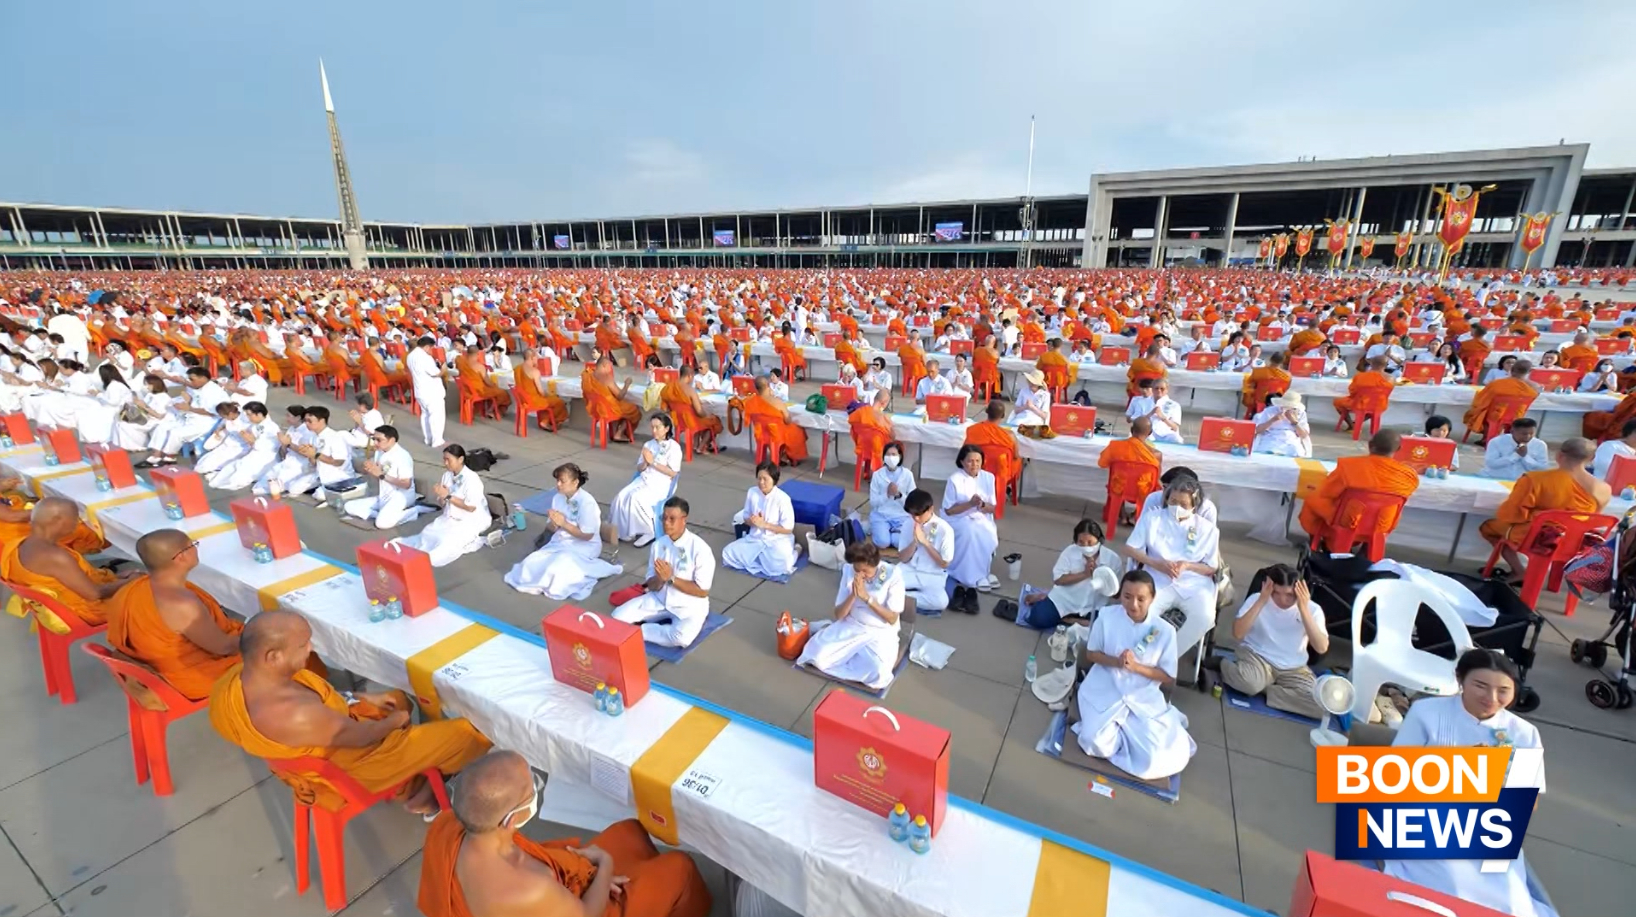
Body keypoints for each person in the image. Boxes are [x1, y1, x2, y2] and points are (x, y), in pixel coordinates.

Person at [209, 611, 491, 816]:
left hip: (329, 738)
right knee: (470, 730)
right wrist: (396, 721)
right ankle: (432, 791)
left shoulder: (236, 680)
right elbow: (361, 737)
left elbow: (324, 709)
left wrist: (362, 698)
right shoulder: (292, 713)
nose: (311, 648)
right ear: (273, 656)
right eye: (303, 645)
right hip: (350, 768)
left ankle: (411, 783)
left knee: (395, 698)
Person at [417, 749, 711, 917]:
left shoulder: (446, 826)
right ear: (511, 819)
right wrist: (604, 867)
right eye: (531, 787)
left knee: (630, 832)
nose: (535, 788)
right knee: (680, 868)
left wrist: (587, 869)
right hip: (577, 909)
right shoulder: (528, 887)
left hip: (557, 897)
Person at [1382, 649, 1556, 917]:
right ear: (1460, 680)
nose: (1492, 698)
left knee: (1510, 900)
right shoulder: (1426, 712)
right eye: (1481, 686)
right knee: (1451, 888)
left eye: (1503, 690)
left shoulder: (1524, 733)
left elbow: (1526, 803)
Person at [1072, 570, 1196, 780]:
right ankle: (1119, 735)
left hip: (1142, 694)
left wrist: (1136, 668)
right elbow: (1092, 654)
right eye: (1127, 597)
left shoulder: (1164, 631)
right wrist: (1116, 662)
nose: (1133, 605)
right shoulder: (1107, 616)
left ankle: (1129, 736)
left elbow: (1167, 675)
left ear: (1152, 599)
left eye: (1141, 599)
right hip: (1106, 685)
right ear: (1120, 594)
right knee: (1095, 743)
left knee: (1156, 758)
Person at [104, 529, 243, 700]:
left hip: (149, 663)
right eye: (192, 545)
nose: (195, 549)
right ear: (181, 557)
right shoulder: (181, 603)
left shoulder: (131, 589)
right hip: (186, 677)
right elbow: (224, 648)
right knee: (272, 652)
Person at [1481, 437, 1610, 580]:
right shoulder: (1603, 488)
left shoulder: (1535, 479)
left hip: (1539, 537)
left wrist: (1535, 515)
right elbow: (1594, 517)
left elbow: (1511, 514)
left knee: (1489, 527)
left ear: (1559, 455)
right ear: (1591, 458)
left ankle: (1519, 571)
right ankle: (1553, 579)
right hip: (1576, 540)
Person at [1211, 564, 1328, 719]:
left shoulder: (1313, 610)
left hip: (1294, 668)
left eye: (1289, 595)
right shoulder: (1257, 599)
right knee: (1249, 683)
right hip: (1257, 656)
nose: (1282, 600)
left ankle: (1266, 689)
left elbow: (1321, 647)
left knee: (1321, 706)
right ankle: (1223, 664)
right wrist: (1262, 601)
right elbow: (1238, 633)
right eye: (1276, 593)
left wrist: (1304, 609)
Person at [1122, 476, 1220, 657]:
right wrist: (1156, 563)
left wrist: (1188, 565)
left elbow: (1211, 567)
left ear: (1194, 505)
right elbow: (1130, 548)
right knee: (1143, 611)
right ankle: (1139, 654)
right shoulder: (1153, 519)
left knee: (1205, 617)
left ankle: (1168, 656)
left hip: (1193, 584)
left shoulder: (1208, 530)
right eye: (1173, 501)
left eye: (1183, 504)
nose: (1177, 507)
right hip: (1157, 578)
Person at [0, 497, 135, 628]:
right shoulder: (54, 556)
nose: (78, 523)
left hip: (60, 603)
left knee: (131, 577)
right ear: (58, 520)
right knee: (145, 587)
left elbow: (69, 580)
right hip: (84, 612)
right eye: (75, 518)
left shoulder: (20, 544)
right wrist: (130, 582)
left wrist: (116, 579)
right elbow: (94, 594)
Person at [796, 540, 906, 690]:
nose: (859, 574)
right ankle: (831, 634)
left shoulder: (893, 575)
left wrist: (867, 598)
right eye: (856, 569)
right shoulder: (848, 571)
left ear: (874, 564)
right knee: (817, 657)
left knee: (878, 673)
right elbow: (839, 614)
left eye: (864, 571)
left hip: (880, 632)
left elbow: (892, 618)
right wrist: (854, 595)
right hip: (852, 625)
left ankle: (845, 652)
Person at [612, 497, 716, 648]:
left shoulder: (700, 549)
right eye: (664, 518)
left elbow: (702, 591)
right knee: (616, 617)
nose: (666, 523)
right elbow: (651, 584)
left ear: (684, 520)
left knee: (681, 639)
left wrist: (671, 579)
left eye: (672, 519)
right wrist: (660, 580)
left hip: (688, 606)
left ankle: (641, 631)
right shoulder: (658, 545)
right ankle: (644, 630)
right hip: (660, 599)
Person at [506, 463, 620, 600]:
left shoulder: (587, 503)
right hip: (560, 542)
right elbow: (551, 528)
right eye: (557, 481)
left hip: (584, 546)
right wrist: (553, 524)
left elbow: (587, 536)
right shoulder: (557, 498)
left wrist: (563, 523)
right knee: (529, 563)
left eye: (562, 481)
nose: (558, 484)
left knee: (556, 568)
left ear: (575, 482)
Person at [1298, 430, 1421, 544]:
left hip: (1347, 521)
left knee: (1313, 498)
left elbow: (1327, 493)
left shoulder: (1349, 466)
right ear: (1399, 449)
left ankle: (1318, 542)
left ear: (1369, 445)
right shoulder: (1408, 475)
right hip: (1382, 524)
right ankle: (1367, 547)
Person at [397, 444, 492, 566]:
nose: (445, 463)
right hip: (449, 517)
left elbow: (471, 507)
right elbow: (443, 503)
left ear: (460, 459)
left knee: (444, 542)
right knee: (427, 532)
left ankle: (419, 562)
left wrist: (448, 496)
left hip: (468, 520)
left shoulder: (472, 479)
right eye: (444, 459)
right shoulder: (447, 475)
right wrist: (442, 497)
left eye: (449, 460)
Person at [1016, 519, 1121, 629]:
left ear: (1099, 540)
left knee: (1105, 627)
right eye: (1081, 542)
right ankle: (1049, 599)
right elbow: (1058, 580)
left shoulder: (1113, 560)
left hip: (1094, 606)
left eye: (1090, 542)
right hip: (1065, 600)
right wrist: (1085, 574)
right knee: (1037, 618)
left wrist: (1102, 576)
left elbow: (1116, 592)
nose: (1086, 546)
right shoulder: (1070, 552)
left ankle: (1072, 620)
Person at [609, 414, 683, 547]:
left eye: (657, 427)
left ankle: (649, 530)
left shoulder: (674, 447)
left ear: (666, 428)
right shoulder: (648, 444)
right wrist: (645, 463)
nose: (654, 431)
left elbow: (673, 472)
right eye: (652, 427)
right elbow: (640, 467)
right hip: (644, 479)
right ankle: (624, 531)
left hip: (661, 483)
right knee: (621, 497)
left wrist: (652, 462)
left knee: (636, 498)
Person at [942, 445, 1000, 613]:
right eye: (970, 461)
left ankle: (983, 572)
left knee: (988, 534)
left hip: (981, 516)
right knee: (970, 532)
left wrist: (981, 505)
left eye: (977, 461)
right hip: (958, 518)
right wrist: (969, 504)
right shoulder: (954, 479)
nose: (974, 464)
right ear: (962, 462)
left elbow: (992, 508)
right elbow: (949, 510)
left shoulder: (988, 478)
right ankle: (969, 577)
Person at [254, 406, 354, 498]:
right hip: (318, 472)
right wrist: (310, 455)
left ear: (321, 421)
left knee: (319, 496)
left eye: (310, 421)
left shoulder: (335, 437)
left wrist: (315, 454)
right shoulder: (313, 436)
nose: (306, 424)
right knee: (292, 489)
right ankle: (317, 486)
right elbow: (313, 463)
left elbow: (338, 462)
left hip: (337, 474)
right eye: (305, 420)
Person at [138, 367, 229, 466]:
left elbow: (214, 412)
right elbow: (193, 396)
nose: (190, 382)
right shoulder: (200, 387)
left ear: (202, 378)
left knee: (175, 433)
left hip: (205, 422)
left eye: (192, 379)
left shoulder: (214, 392)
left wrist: (189, 408)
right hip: (190, 417)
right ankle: (155, 456)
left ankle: (170, 457)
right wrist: (185, 402)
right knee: (162, 427)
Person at [721, 461, 798, 577]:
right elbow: (745, 517)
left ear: (774, 480)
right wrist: (752, 521)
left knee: (780, 566)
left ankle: (796, 551)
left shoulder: (783, 499)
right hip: (755, 539)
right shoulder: (752, 492)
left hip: (776, 541)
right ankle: (759, 561)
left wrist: (765, 525)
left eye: (765, 479)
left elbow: (788, 529)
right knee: (727, 554)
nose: (761, 482)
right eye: (759, 478)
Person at [343, 424, 422, 528]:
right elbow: (376, 472)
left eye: (379, 440)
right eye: (374, 439)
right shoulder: (379, 452)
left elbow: (406, 484)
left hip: (401, 497)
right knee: (349, 506)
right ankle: (381, 515)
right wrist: (370, 468)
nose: (375, 443)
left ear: (392, 440)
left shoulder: (403, 456)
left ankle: (414, 511)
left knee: (381, 524)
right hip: (384, 495)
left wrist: (381, 475)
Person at [894, 488, 954, 614]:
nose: (915, 518)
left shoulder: (945, 530)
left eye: (919, 514)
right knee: (886, 581)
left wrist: (925, 542)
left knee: (941, 602)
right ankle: (896, 595)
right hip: (909, 570)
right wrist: (915, 543)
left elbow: (944, 563)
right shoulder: (908, 524)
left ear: (930, 509)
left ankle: (900, 597)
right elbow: (902, 558)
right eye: (912, 514)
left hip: (932, 575)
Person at [208, 402, 282, 490]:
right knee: (235, 465)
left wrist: (252, 440)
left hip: (266, 456)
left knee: (242, 473)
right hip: (255, 453)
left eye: (249, 415)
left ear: (259, 414)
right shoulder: (255, 425)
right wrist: (249, 439)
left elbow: (271, 446)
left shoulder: (271, 427)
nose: (247, 417)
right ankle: (219, 479)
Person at [1463, 358, 1538, 442]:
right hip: (1516, 416)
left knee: (1482, 411)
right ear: (1530, 372)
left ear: (1512, 370)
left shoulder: (1496, 384)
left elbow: (1481, 400)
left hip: (1495, 415)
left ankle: (1486, 438)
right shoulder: (1532, 389)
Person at [743, 375, 808, 464]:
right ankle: (791, 457)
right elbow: (787, 420)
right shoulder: (777, 402)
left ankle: (781, 455)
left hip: (761, 433)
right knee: (798, 430)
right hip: (776, 433)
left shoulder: (751, 401)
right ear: (767, 386)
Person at [583, 352, 642, 442]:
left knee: (619, 404)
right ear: (603, 365)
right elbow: (620, 396)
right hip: (608, 409)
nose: (610, 369)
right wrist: (627, 384)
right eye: (609, 366)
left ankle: (615, 431)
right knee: (634, 410)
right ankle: (619, 433)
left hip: (595, 408)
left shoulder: (588, 376)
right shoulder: (606, 378)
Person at [868, 441, 915, 550]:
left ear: (900, 456)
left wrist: (899, 495)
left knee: (899, 543)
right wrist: (887, 495)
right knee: (883, 543)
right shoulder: (877, 475)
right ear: (883, 457)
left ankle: (892, 532)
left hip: (901, 516)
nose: (890, 457)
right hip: (882, 515)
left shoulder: (907, 475)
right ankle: (878, 528)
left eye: (894, 454)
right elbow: (873, 502)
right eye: (888, 454)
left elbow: (913, 502)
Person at [77, 363, 134, 446]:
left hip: (119, 409)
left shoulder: (114, 385)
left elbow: (114, 402)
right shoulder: (114, 384)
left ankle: (97, 436)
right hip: (117, 406)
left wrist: (98, 394)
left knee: (90, 414)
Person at [407, 335, 449, 448]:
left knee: (425, 415)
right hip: (431, 391)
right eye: (431, 348)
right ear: (426, 347)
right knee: (436, 416)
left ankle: (428, 438)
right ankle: (437, 440)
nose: (431, 350)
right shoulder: (425, 357)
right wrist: (443, 368)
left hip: (420, 390)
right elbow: (435, 373)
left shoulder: (410, 356)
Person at [1333, 356, 1395, 432]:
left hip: (1359, 404)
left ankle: (1352, 425)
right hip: (1380, 405)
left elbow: (1352, 391)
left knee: (1337, 402)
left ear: (1371, 364)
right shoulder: (1391, 378)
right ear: (1386, 365)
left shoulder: (1360, 376)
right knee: (1372, 409)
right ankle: (1355, 424)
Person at [114, 374, 174, 450]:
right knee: (119, 423)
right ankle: (124, 446)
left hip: (155, 421)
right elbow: (143, 406)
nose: (146, 387)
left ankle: (138, 445)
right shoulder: (150, 395)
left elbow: (160, 416)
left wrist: (144, 407)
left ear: (154, 385)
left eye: (147, 384)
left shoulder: (164, 397)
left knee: (124, 425)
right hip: (146, 418)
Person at [1479, 417, 1550, 479]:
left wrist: (1525, 457)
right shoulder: (1496, 442)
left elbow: (1542, 468)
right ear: (1512, 431)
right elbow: (1491, 464)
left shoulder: (1540, 445)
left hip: (1523, 482)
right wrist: (1515, 456)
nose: (1528, 437)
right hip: (1494, 479)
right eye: (1524, 434)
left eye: (1531, 433)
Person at [1251, 391, 1312, 457]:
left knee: (1296, 451)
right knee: (1268, 451)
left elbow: (1304, 435)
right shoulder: (1270, 411)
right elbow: (1257, 430)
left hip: (1290, 440)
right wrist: (1273, 420)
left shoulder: (1301, 413)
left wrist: (1294, 422)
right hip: (1272, 438)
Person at [1125, 379, 1182, 444]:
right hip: (1146, 434)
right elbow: (1135, 421)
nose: (1159, 391)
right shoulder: (1142, 402)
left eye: (1162, 389)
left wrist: (1163, 418)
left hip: (1166, 434)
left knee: (1176, 439)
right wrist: (1149, 414)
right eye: (1156, 388)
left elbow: (1175, 427)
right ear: (1152, 389)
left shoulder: (1174, 405)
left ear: (1167, 390)